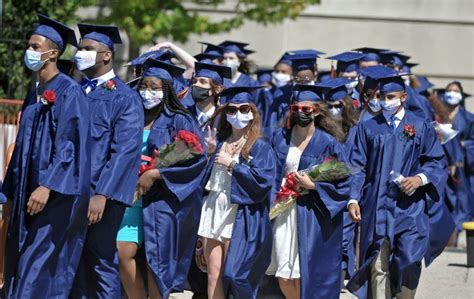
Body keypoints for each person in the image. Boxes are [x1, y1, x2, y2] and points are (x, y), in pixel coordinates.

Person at [2, 14, 90, 298]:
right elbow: (22, 148)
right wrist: (9, 191)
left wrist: (47, 185)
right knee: (18, 266)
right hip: (26, 196)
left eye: (34, 46)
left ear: (53, 53)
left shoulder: (69, 92)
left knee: (34, 269)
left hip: (53, 198)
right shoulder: (34, 93)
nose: (29, 51)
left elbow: (70, 145)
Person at [346, 72, 447, 299]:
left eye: (390, 96)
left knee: (409, 258)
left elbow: (436, 161)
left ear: (403, 97)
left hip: (409, 208)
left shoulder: (420, 127)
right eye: (382, 96)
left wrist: (419, 179)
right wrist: (353, 198)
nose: (384, 101)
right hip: (376, 205)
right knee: (378, 263)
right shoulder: (368, 128)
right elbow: (357, 167)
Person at [71, 23, 144, 298]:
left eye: (88, 49)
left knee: (100, 261)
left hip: (102, 197)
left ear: (106, 56)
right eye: (80, 48)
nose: (81, 53)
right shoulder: (75, 92)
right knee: (74, 262)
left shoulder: (124, 98)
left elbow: (124, 152)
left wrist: (102, 194)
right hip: (71, 193)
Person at [266, 84, 351, 299]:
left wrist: (313, 185)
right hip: (282, 211)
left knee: (304, 273)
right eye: (296, 108)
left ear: (317, 111)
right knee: (284, 275)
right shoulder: (279, 137)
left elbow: (343, 182)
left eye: (307, 109)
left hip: (312, 216)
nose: (301, 113)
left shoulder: (328, 143)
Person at [134, 58, 208, 299]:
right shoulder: (133, 115)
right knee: (125, 253)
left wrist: (158, 173)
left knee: (157, 260)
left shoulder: (179, 118)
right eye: (144, 86)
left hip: (162, 200)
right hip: (131, 196)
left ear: (166, 89)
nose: (148, 92)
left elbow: (196, 156)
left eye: (154, 87)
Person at [198, 86, 275, 298]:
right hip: (214, 206)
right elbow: (204, 180)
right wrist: (209, 154)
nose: (237, 114)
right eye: (231, 110)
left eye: (243, 109)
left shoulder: (259, 146)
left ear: (252, 113)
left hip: (240, 213)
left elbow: (263, 180)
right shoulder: (219, 141)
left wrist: (232, 164)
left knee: (234, 274)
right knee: (213, 274)